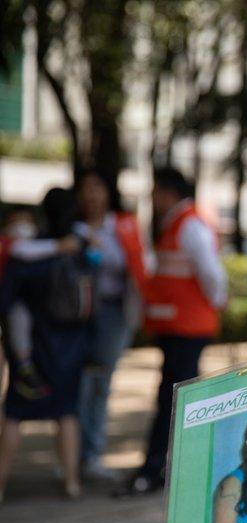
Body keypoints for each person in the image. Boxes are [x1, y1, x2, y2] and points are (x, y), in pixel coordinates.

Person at [115, 167, 227, 497]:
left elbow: (212, 275)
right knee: (175, 396)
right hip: (181, 326)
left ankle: (160, 468)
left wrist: (216, 302)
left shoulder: (189, 224)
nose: (152, 199)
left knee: (175, 398)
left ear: (168, 192)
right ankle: (167, 466)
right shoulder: (179, 224)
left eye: (155, 191)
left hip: (187, 327)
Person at [0, 189, 90, 502]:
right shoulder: (80, 251)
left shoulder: (28, 254)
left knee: (14, 413)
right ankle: (72, 482)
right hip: (71, 347)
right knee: (66, 413)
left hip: (30, 350)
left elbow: (6, 299)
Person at [73, 169, 149, 480]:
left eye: (97, 188)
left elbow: (135, 265)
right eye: (86, 189)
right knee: (76, 385)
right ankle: (73, 454)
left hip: (114, 313)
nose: (92, 195)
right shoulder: (69, 228)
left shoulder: (123, 226)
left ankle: (92, 454)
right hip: (74, 317)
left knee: (101, 384)